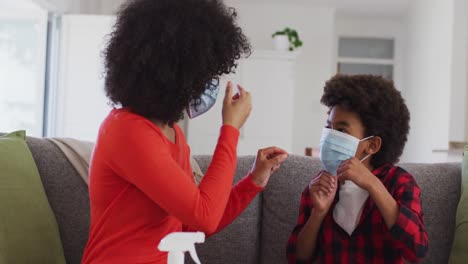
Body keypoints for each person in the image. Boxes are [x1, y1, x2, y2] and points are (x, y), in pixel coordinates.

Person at [81, 0, 288, 263]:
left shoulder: (173, 134)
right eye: (205, 75)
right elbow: (205, 215)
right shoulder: (127, 130)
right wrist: (230, 128)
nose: (208, 84)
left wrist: (253, 182)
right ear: (176, 73)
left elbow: (193, 224)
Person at [286, 75, 428, 263]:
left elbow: (416, 249)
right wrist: (318, 213)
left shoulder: (399, 183)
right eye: (329, 127)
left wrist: (373, 185)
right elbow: (297, 257)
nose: (330, 137)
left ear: (372, 145)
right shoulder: (319, 186)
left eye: (342, 130)